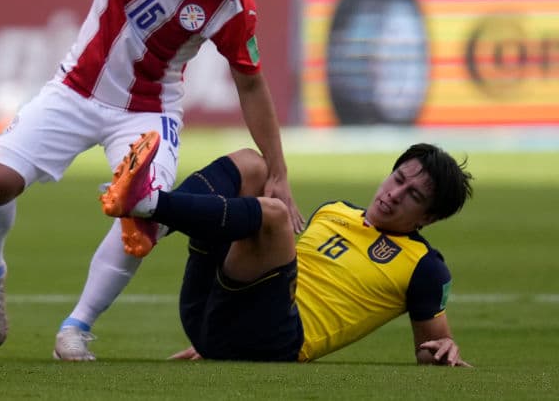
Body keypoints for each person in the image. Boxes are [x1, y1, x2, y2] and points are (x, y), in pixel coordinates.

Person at [0, 0, 302, 361]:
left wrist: (279, 170)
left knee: (142, 220)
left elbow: (251, 84)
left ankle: (76, 328)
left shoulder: (232, 4)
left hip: (148, 112)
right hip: (76, 89)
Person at [101, 132, 473, 365]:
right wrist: (215, 340)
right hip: (211, 314)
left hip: (274, 341)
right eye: (398, 178)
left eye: (413, 195)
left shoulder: (423, 266)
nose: (393, 194)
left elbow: (433, 347)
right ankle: (157, 221)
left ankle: (149, 204)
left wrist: (445, 350)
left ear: (430, 218)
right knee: (252, 164)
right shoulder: (334, 210)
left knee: (275, 216)